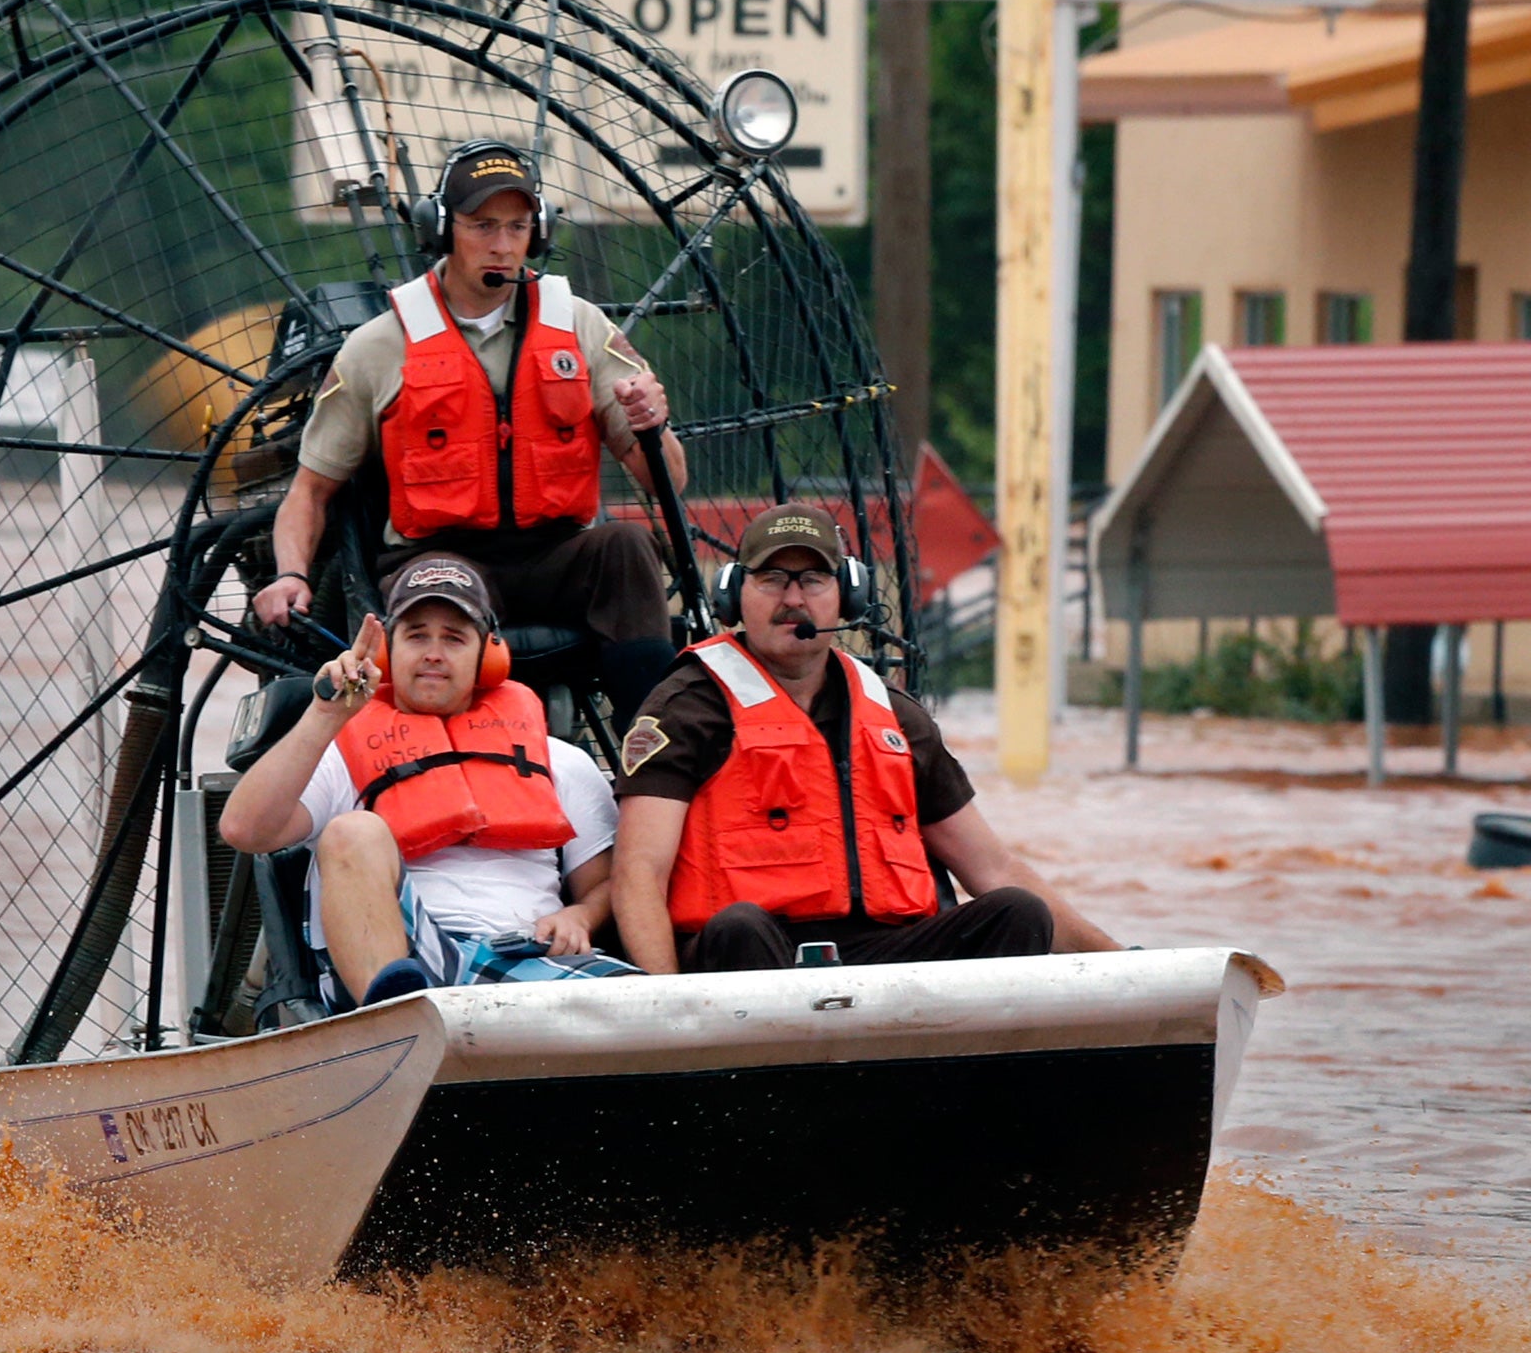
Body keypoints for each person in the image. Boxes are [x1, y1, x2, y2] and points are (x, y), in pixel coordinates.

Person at [249, 140, 687, 726]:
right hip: (439, 560)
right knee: (445, 586)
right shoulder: (380, 345)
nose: (503, 245)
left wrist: (651, 426)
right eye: (483, 225)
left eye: (517, 226)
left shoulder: (578, 324)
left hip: (556, 553)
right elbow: (310, 491)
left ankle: (652, 753)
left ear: (540, 231)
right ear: (441, 229)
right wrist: (290, 575)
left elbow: (669, 484)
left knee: (627, 548)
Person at [610, 504, 1121, 974]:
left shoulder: (895, 715)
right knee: (739, 926)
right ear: (733, 594)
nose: (792, 599)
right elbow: (640, 873)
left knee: (1017, 911)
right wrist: (668, 1004)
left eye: (812, 580)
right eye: (771, 580)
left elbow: (993, 866)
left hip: (884, 954)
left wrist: (1118, 963)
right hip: (753, 954)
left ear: (847, 595)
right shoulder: (685, 707)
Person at [219, 552, 637, 1009]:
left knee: (649, 1008)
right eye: (417, 636)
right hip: (401, 964)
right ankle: (397, 1022)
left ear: (487, 657)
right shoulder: (340, 752)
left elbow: (606, 884)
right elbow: (245, 830)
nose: (433, 653)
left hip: (524, 956)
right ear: (388, 652)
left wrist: (580, 915)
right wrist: (324, 715)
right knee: (352, 830)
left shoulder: (563, 762)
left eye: (454, 638)